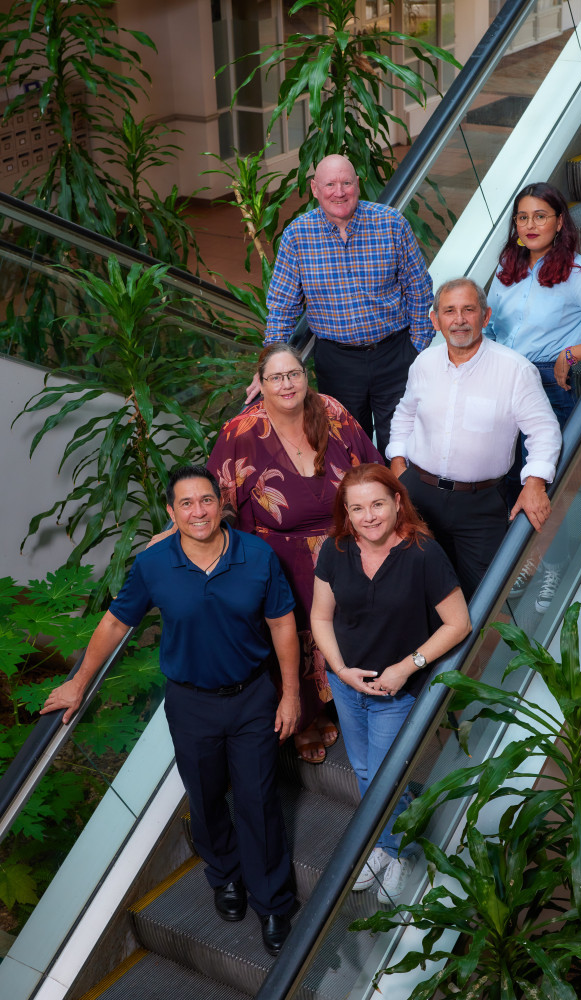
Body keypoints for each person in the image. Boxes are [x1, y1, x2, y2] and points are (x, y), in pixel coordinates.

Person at [41, 465, 300, 957]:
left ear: (221, 503)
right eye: (186, 503)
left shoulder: (257, 556)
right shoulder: (154, 563)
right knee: (203, 796)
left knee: (258, 799)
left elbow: (283, 625)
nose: (197, 512)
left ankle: (272, 903)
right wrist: (78, 681)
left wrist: (290, 694)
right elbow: (117, 624)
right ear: (171, 511)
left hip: (251, 699)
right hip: (191, 703)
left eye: (206, 500)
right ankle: (224, 876)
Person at [209, 343, 383, 763]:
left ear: (306, 378)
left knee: (350, 627)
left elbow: (371, 469)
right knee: (295, 636)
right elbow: (219, 500)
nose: (287, 384)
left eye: (294, 374)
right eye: (276, 377)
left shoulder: (333, 411)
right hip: (281, 559)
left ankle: (347, 700)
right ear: (260, 384)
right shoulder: (240, 432)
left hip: (346, 548)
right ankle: (306, 718)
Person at [311, 464, 470, 902]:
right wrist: (340, 670)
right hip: (346, 685)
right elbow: (320, 616)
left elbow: (458, 624)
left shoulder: (423, 554)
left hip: (395, 691)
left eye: (378, 504)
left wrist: (407, 665)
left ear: (397, 502)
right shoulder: (336, 549)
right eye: (357, 507)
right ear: (346, 511)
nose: (369, 516)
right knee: (363, 769)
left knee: (385, 774)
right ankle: (382, 844)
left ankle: (400, 851)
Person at [486, 181, 581, 609]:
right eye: (523, 217)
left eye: (540, 216)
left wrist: (571, 353)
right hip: (502, 383)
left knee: (542, 482)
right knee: (502, 480)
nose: (531, 225)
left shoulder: (576, 274)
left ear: (559, 222)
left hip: (546, 390)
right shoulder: (506, 267)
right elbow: (493, 329)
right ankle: (522, 562)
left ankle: (551, 567)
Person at [245, 154, 433, 458]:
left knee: (403, 445)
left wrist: (417, 347)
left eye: (346, 182)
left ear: (357, 185)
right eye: (330, 184)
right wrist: (269, 368)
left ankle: (400, 504)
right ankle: (357, 506)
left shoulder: (391, 224)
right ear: (315, 188)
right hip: (338, 363)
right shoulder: (297, 236)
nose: (339, 191)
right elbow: (282, 307)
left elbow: (419, 287)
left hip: (395, 356)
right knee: (347, 447)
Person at [386, 278, 562, 601]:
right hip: (417, 495)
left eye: (469, 309)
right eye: (449, 311)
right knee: (416, 587)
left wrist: (534, 482)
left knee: (487, 594)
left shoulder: (515, 371)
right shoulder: (424, 363)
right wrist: (398, 463)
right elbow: (404, 415)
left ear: (486, 315)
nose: (459, 320)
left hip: (480, 504)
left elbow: (545, 430)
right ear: (435, 320)